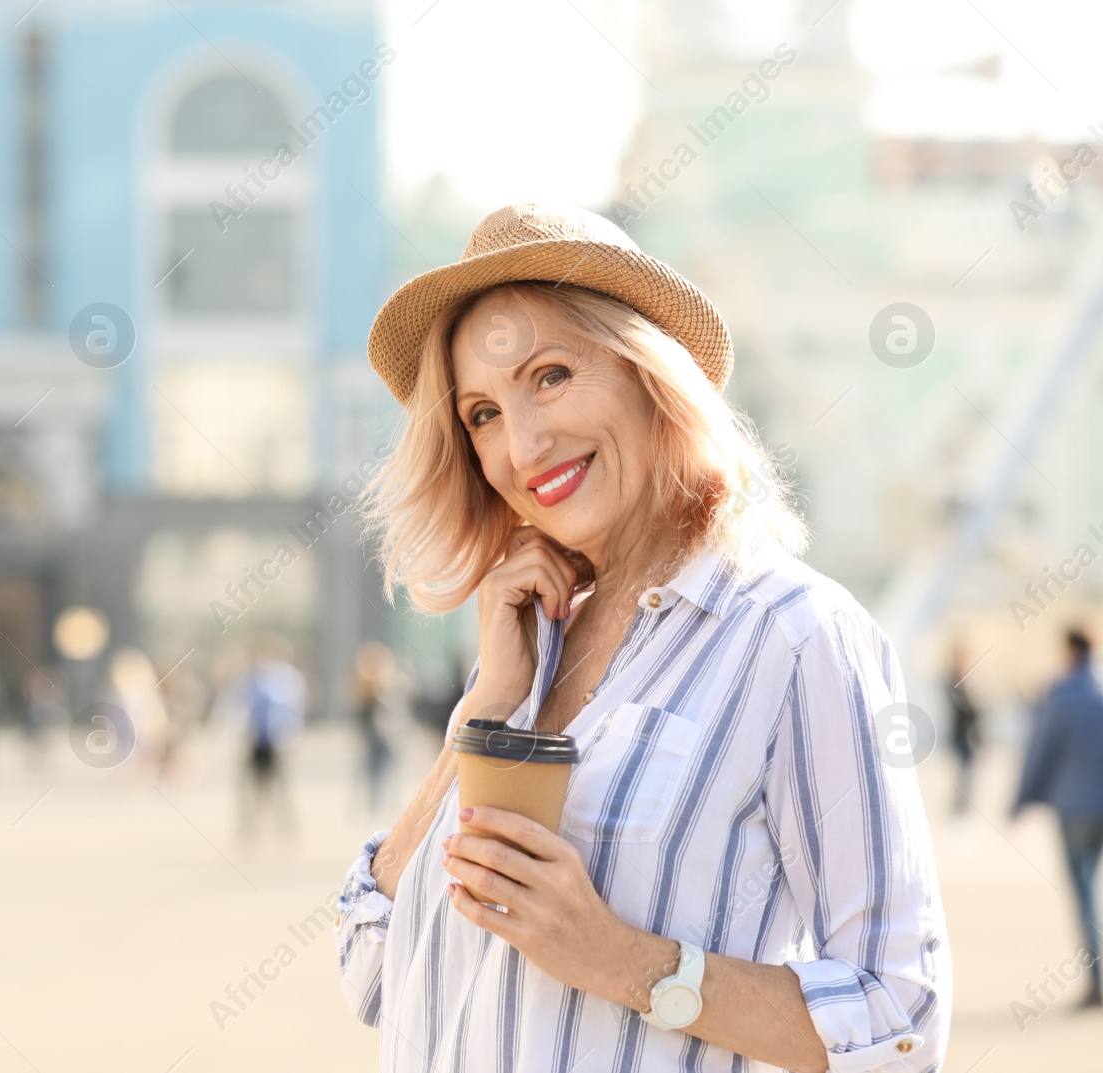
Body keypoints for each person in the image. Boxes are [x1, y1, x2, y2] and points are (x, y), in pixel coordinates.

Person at [332, 204, 950, 1072]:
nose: (523, 443)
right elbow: (374, 972)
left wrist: (622, 960)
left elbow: (900, 1017)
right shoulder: (526, 652)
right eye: (482, 414)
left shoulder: (796, 638)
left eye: (549, 375)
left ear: (648, 371)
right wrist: (485, 710)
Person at [1013, 627, 1103, 1009]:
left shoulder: (1060, 694)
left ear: (1068, 649)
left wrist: (1020, 800)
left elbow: (1040, 751)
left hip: (1074, 811)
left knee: (1084, 896)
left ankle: (1097, 982)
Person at [233, 634, 305, 843]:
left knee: (283, 786)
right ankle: (248, 828)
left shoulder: (288, 678)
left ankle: (286, 827)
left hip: (280, 740)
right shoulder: (251, 679)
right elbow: (241, 706)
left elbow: (292, 708)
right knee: (251, 786)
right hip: (256, 739)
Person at [352, 641, 405, 814]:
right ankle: (375, 807)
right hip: (377, 735)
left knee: (385, 772)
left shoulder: (387, 682)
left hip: (388, 734)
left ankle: (382, 806)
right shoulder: (369, 685)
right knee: (375, 772)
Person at [946, 640, 983, 815]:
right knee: (964, 773)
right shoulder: (953, 681)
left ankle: (963, 809)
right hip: (960, 734)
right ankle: (958, 810)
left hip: (969, 735)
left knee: (969, 773)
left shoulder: (965, 681)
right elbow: (966, 708)